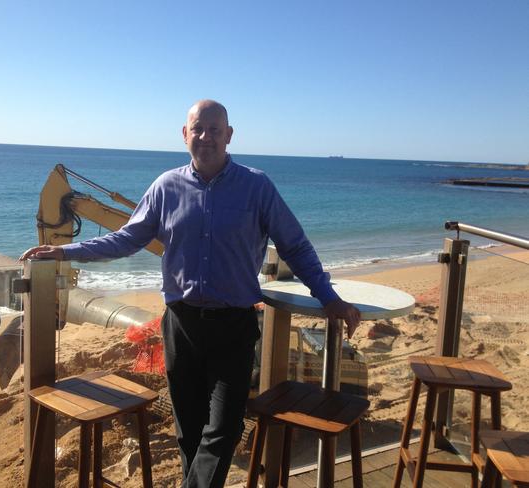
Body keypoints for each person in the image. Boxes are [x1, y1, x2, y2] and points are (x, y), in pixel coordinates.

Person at [20, 99, 361, 487]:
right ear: (185, 135)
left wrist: (327, 296)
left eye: (215, 129)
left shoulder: (257, 187)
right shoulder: (166, 187)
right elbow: (127, 239)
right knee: (189, 433)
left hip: (233, 328)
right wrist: (65, 250)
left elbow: (295, 246)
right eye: (198, 129)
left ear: (229, 136)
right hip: (181, 327)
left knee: (225, 429)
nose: (206, 137)